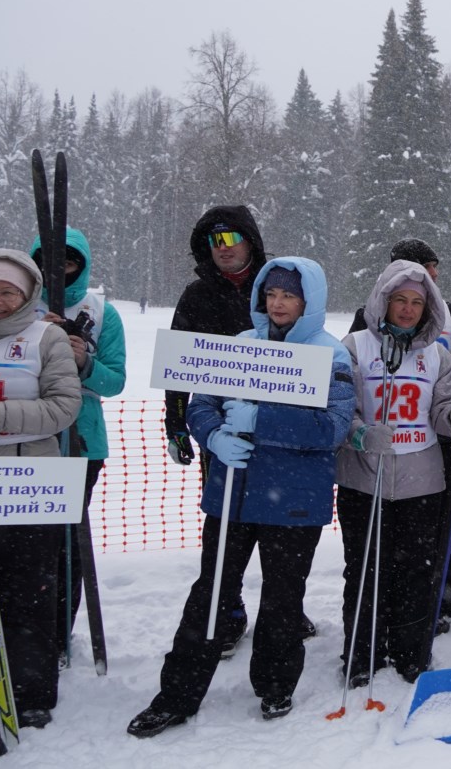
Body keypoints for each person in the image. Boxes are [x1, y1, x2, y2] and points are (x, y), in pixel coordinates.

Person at [128, 257, 355, 736]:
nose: (278, 303)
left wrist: (261, 420)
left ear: (309, 301)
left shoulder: (330, 354)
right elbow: (203, 406)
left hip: (294, 500)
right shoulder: (240, 345)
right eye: (270, 294)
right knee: (211, 592)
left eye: (289, 295)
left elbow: (332, 428)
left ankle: (275, 684)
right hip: (233, 493)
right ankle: (178, 694)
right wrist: (213, 436)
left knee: (282, 596)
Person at [165, 206, 316, 652]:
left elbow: (306, 345)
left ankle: (283, 611)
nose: (223, 249)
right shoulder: (197, 295)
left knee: (277, 528)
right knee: (225, 526)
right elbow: (179, 366)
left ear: (250, 241)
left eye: (232, 239)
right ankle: (226, 610)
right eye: (215, 241)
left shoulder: (274, 287)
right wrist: (177, 424)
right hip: (221, 428)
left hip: (277, 428)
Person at [0, 251, 82, 730]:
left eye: (7, 292)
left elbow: (62, 409)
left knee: (28, 592)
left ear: (27, 294)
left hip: (28, 482)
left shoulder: (46, 338)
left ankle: (29, 692)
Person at [336, 260, 451, 686]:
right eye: (399, 300)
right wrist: (360, 434)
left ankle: (411, 653)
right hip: (364, 479)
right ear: (383, 301)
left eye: (416, 303)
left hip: (421, 482)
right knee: (365, 570)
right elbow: (339, 408)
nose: (407, 309)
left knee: (416, 573)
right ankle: (361, 654)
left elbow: (441, 415)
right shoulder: (354, 346)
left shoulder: (437, 354)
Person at [29, 227, 127, 656]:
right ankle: (14, 630)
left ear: (81, 265)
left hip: (80, 440)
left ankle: (55, 635)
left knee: (67, 544)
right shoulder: (17, 302)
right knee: (18, 543)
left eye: (67, 262)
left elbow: (115, 381)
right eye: (47, 261)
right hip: (20, 436)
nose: (57, 271)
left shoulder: (102, 314)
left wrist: (84, 360)